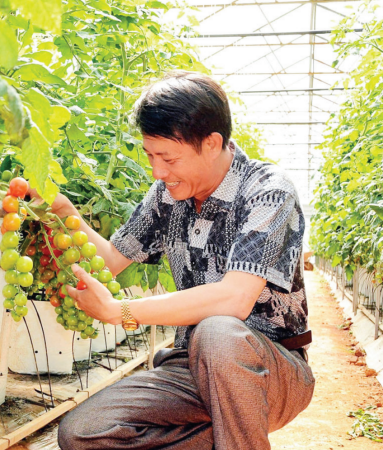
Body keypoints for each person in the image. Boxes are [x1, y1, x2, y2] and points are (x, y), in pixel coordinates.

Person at [38, 71, 314, 450]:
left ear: (212, 143)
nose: (157, 171)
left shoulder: (268, 191)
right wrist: (59, 208)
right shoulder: (166, 196)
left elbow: (235, 299)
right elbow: (110, 259)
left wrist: (122, 311)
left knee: (218, 331)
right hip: (189, 369)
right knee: (84, 432)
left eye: (168, 158)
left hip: (271, 368)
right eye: (150, 156)